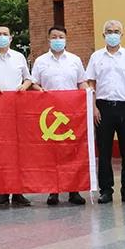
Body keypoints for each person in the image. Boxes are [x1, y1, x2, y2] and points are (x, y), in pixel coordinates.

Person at [85, 20, 125, 205]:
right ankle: (106, 190)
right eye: (109, 31)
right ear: (104, 35)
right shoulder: (96, 57)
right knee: (104, 152)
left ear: (122, 34)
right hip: (103, 108)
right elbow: (91, 83)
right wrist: (93, 107)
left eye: (116, 31)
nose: (113, 34)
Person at [0, 25, 35, 207]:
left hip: (17, 110)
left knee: (18, 152)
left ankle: (18, 192)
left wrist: (24, 86)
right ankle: (3, 192)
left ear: (11, 38)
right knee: (1, 152)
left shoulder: (19, 57)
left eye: (5, 34)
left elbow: (28, 78)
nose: (1, 37)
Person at [31, 26, 87, 207]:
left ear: (66, 39)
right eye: (54, 37)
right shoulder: (40, 61)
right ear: (49, 39)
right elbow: (33, 83)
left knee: (72, 152)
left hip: (72, 114)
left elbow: (81, 82)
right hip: (49, 115)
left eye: (60, 37)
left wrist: (88, 93)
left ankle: (74, 190)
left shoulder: (74, 60)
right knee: (52, 154)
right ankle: (53, 190)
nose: (57, 40)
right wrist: (40, 90)